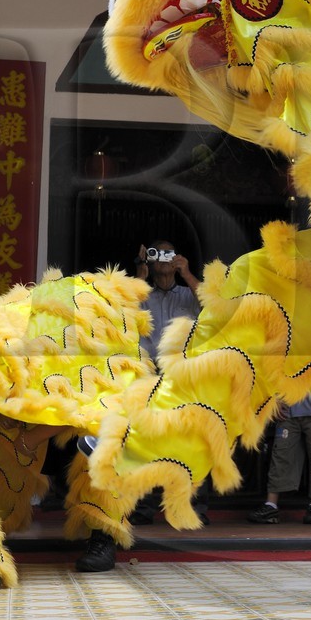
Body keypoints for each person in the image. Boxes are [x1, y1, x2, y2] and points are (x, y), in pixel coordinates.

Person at [76, 237, 204, 571]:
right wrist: (140, 272)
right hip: (144, 374)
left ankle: (187, 504)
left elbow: (213, 305)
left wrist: (187, 272)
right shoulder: (141, 291)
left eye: (168, 254)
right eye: (156, 254)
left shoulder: (188, 294)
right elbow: (119, 313)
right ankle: (144, 508)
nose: (163, 260)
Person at [247, 370, 311, 524]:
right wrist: (275, 400)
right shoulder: (285, 345)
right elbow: (275, 371)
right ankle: (271, 505)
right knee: (280, 454)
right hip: (288, 410)